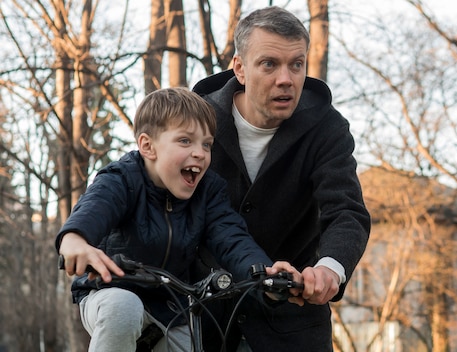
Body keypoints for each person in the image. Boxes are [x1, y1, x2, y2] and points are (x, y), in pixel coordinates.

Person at [55, 87, 303, 352]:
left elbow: (232, 238)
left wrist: (264, 274)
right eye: (185, 141)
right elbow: (94, 209)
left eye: (206, 144)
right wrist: (75, 240)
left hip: (171, 307)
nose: (199, 153)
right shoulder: (122, 180)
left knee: (192, 342)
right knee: (124, 308)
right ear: (148, 146)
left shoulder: (208, 191)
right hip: (111, 293)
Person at [192, 6, 371, 352]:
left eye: (297, 64)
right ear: (240, 68)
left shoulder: (327, 127)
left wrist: (330, 269)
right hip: (200, 318)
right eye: (269, 64)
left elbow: (347, 212)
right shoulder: (196, 120)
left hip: (292, 323)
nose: (286, 79)